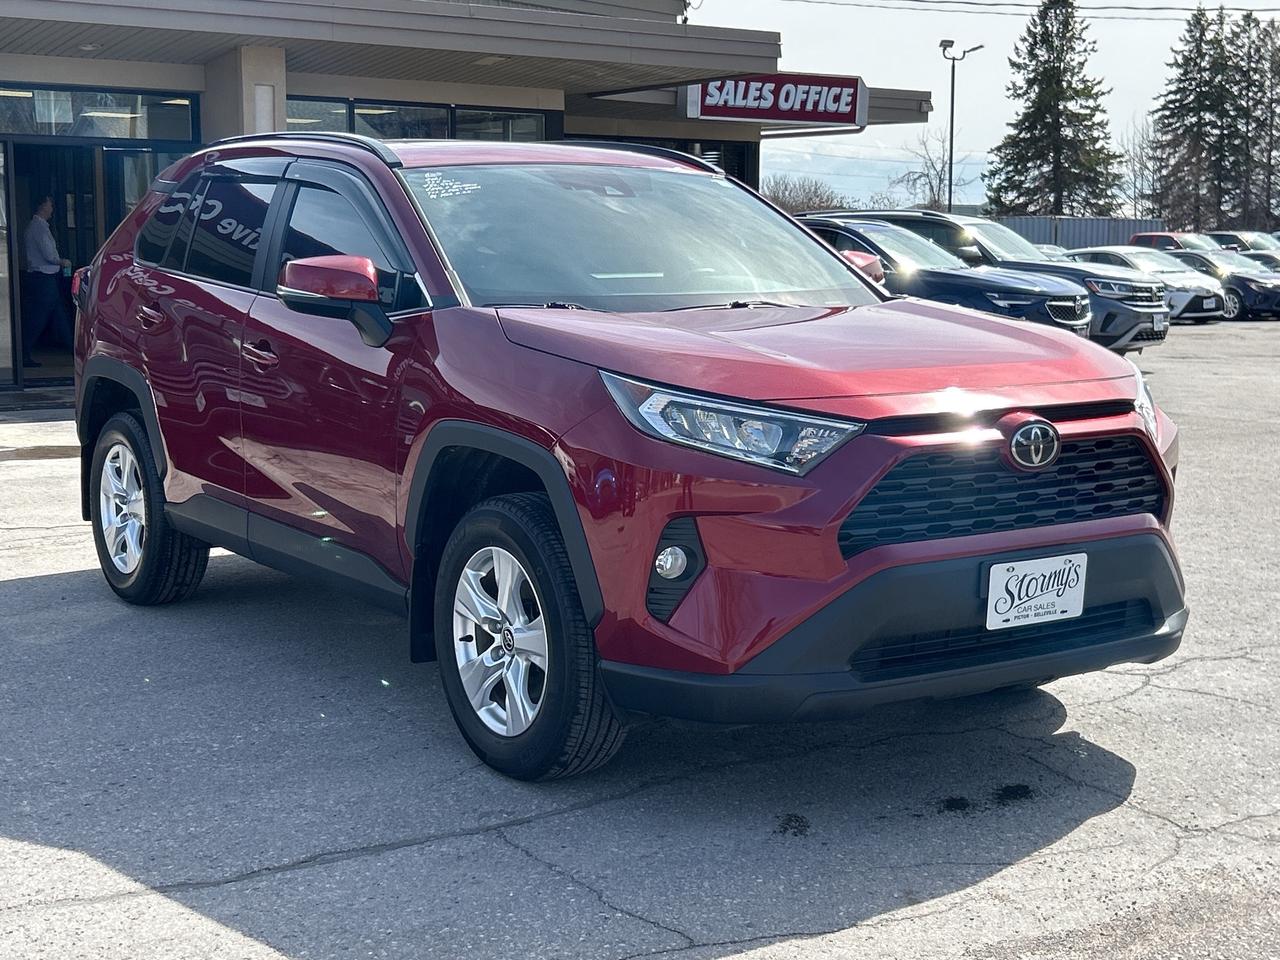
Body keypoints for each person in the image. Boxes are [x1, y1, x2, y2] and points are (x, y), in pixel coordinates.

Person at [22, 195, 73, 369]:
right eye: (50, 204)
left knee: (59, 316)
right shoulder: (39, 228)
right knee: (39, 317)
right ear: (43, 205)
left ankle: (74, 349)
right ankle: (23, 351)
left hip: (43, 278)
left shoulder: (38, 227)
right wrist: (62, 261)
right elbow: (49, 255)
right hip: (43, 278)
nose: (52, 208)